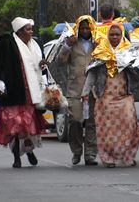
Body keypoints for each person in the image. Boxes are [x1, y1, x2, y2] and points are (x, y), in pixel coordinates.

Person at [0, 17, 48, 168]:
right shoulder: (7, 44)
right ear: (19, 32)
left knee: (26, 126)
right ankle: (16, 157)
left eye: (31, 29)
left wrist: (43, 65)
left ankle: (29, 151)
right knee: (15, 126)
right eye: (28, 29)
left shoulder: (36, 44)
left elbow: (41, 67)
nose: (31, 32)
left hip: (30, 94)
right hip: (13, 93)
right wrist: (0, 82)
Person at [81, 24, 139, 168]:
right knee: (106, 130)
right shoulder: (101, 51)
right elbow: (92, 74)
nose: (114, 37)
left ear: (122, 36)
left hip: (124, 96)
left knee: (130, 124)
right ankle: (109, 158)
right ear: (107, 36)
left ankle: (128, 156)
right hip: (105, 97)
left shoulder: (129, 51)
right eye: (112, 34)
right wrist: (85, 92)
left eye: (117, 35)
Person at [56, 15, 98, 166]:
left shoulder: (97, 44)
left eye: (88, 28)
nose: (85, 31)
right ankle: (76, 151)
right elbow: (60, 62)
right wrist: (67, 46)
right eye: (82, 28)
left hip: (94, 90)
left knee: (92, 123)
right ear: (78, 29)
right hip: (75, 89)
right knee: (75, 121)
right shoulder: (72, 43)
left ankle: (90, 155)